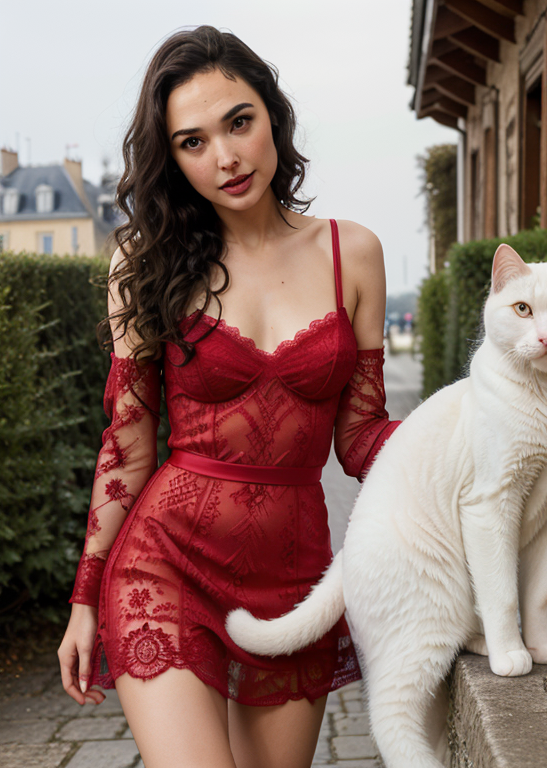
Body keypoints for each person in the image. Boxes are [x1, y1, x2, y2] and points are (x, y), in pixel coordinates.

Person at [57, 26, 398, 768]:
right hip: (166, 564)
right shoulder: (144, 264)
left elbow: (361, 433)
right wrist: (86, 599)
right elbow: (128, 445)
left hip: (294, 578)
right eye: (192, 141)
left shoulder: (354, 252)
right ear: (172, 158)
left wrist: (456, 445)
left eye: (238, 122)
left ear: (272, 114)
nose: (226, 157)